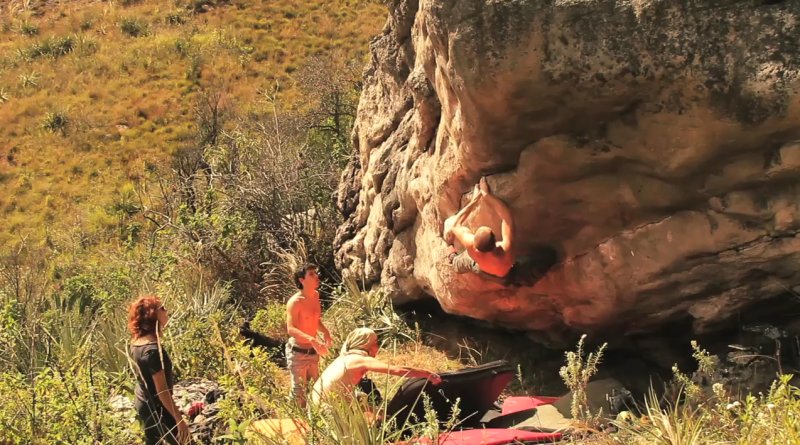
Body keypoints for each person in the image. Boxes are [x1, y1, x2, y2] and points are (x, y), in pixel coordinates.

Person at [444, 177, 557, 286]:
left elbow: (455, 225)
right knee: (547, 257)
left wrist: (474, 202)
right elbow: (506, 216)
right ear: (495, 243)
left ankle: (452, 258)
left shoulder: (470, 245)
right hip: (505, 275)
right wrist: (487, 196)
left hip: (480, 268)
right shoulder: (505, 250)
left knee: (461, 262)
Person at [311, 328, 441, 409]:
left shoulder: (345, 357)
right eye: (376, 343)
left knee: (361, 398)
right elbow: (397, 370)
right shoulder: (358, 359)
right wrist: (427, 374)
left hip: (317, 404)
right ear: (368, 344)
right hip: (327, 408)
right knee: (371, 413)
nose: (378, 347)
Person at [128, 296, 189, 445]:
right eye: (162, 308)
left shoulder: (136, 344)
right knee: (185, 441)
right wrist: (179, 420)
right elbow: (162, 392)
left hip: (143, 403)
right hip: (157, 409)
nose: (166, 311)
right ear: (152, 314)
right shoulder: (152, 350)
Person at [285, 263, 333, 407]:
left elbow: (315, 319)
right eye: (311, 274)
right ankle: (294, 420)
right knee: (299, 392)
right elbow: (291, 329)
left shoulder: (315, 296)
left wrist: (325, 332)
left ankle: (315, 420)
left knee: (318, 387)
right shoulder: (294, 302)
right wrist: (312, 339)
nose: (316, 276)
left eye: (315, 273)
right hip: (298, 353)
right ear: (302, 280)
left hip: (313, 352)